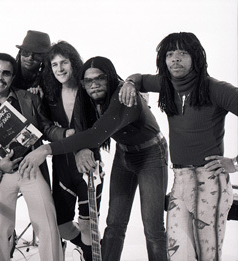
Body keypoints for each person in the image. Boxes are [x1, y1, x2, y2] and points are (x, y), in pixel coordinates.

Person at [19, 56, 169, 261]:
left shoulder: (123, 97)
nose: (94, 84)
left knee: (152, 227)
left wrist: (46, 150)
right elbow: (82, 129)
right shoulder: (87, 98)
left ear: (111, 78)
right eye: (88, 80)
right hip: (125, 153)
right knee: (115, 223)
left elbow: (96, 134)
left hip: (151, 153)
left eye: (100, 78)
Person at [118, 32, 238, 261]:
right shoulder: (166, 84)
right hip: (180, 179)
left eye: (183, 53)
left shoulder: (216, 89)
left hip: (210, 181)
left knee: (207, 256)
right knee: (177, 253)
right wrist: (130, 83)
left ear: (196, 58)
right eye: (170, 54)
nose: (175, 59)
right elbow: (140, 78)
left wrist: (234, 163)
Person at [0, 53, 64, 261]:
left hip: (30, 167)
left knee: (47, 224)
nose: (0, 77)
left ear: (12, 77)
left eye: (6, 73)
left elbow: (46, 128)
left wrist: (65, 135)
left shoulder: (30, 99)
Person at [41, 41, 103, 261]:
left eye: (63, 62)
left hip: (88, 164)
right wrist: (65, 134)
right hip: (61, 167)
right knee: (61, 226)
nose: (59, 68)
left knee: (87, 226)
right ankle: (97, 249)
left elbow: (102, 125)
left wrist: (130, 85)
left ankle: (91, 253)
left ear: (73, 62)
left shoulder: (89, 86)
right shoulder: (50, 93)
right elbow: (45, 126)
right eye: (54, 64)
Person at [12, 30, 51, 98]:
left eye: (37, 55)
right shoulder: (8, 72)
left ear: (44, 58)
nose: (30, 58)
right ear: (20, 53)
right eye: (26, 52)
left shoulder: (49, 80)